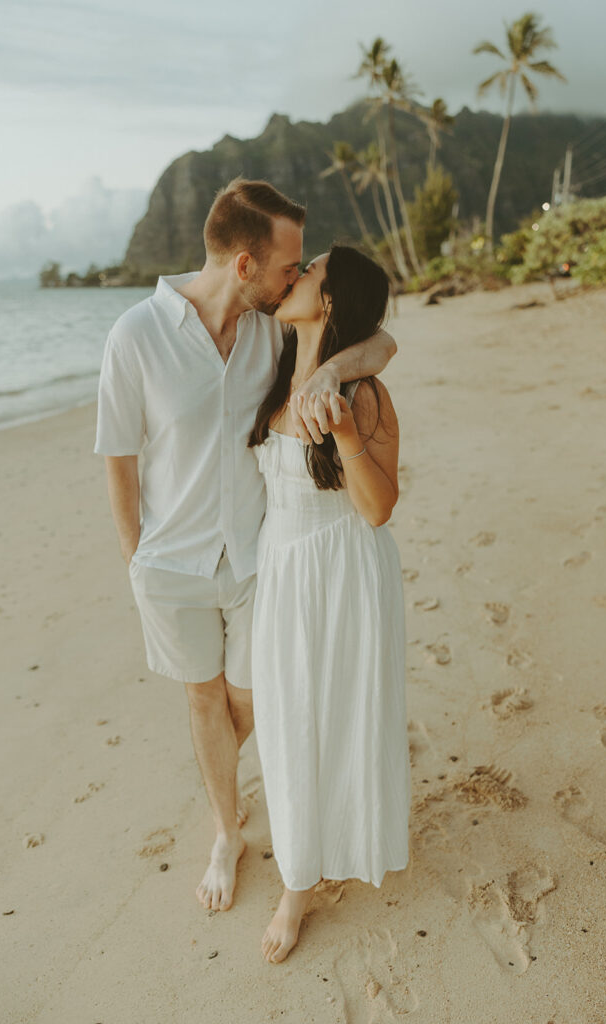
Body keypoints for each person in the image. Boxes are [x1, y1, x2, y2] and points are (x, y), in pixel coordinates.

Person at [94, 179, 396, 914]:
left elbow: (380, 338)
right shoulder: (136, 335)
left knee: (249, 698)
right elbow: (117, 458)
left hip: (261, 558)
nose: (296, 274)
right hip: (171, 562)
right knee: (204, 700)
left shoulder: (271, 328)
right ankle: (225, 832)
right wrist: (136, 557)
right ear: (243, 263)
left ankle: (257, 813)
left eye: (302, 267)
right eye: (289, 262)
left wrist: (332, 368)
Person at [249, 245, 410, 963]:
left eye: (308, 269)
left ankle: (304, 883)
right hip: (281, 572)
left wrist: (344, 430)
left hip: (343, 567)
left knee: (340, 718)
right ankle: (298, 869)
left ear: (332, 298)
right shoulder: (275, 370)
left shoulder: (365, 394)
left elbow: (377, 510)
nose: (294, 273)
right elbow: (384, 337)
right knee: (288, 723)